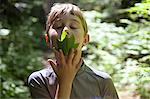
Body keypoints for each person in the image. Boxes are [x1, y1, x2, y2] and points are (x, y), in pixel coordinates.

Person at [27, 3, 119, 99]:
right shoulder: (39, 80)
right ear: (48, 40)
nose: (66, 30)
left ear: (85, 39)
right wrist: (65, 81)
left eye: (73, 26)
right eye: (58, 26)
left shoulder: (103, 82)